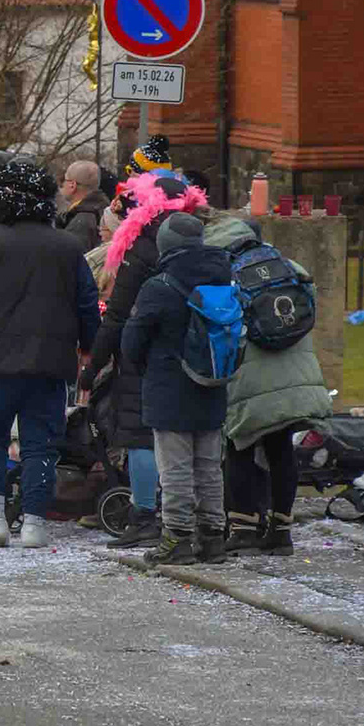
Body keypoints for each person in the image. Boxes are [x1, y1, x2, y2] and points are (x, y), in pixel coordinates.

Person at [0, 158, 99, 549]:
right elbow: (86, 302)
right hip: (51, 358)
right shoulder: (67, 246)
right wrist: (88, 348)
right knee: (40, 442)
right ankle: (34, 521)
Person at [86, 171, 209, 549]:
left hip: (146, 354)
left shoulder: (140, 249)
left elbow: (118, 314)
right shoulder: (203, 245)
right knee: (198, 435)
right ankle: (198, 517)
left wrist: (94, 364)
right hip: (199, 352)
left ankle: (144, 515)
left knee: (140, 434)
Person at [203, 214, 331, 556]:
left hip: (250, 374)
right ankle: (281, 531)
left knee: (240, 446)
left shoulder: (223, 274)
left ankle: (244, 529)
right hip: (294, 370)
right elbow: (309, 305)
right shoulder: (287, 265)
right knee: (281, 447)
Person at [121, 212, 234, 566]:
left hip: (169, 386)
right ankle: (213, 538)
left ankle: (177, 538)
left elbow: (132, 342)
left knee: (176, 468)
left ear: (165, 246)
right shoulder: (224, 279)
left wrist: (145, 367)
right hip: (213, 382)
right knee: (209, 467)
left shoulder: (159, 286)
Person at [57, 160, 110, 252]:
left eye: (64, 180)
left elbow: (71, 256)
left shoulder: (81, 221)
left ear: (72, 185)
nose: (62, 185)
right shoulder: (104, 210)